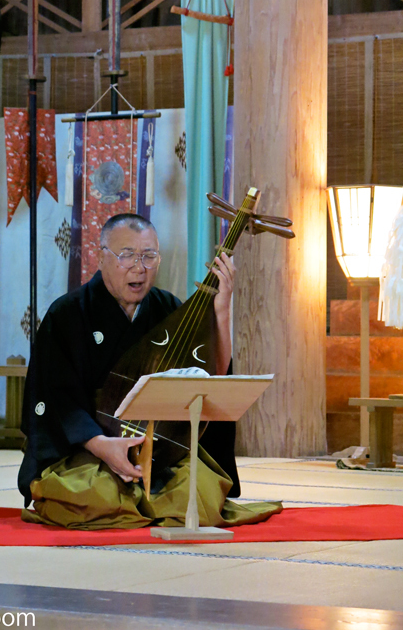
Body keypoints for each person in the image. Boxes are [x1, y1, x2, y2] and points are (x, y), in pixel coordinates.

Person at [18, 213, 280, 529]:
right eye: (126, 255)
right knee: (94, 494)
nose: (139, 268)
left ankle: (143, 502)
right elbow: (60, 400)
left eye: (148, 256)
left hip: (160, 455)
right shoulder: (67, 314)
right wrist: (103, 446)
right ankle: (140, 502)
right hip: (88, 452)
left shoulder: (168, 308)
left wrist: (221, 311)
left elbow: (210, 380)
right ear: (101, 256)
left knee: (201, 494)